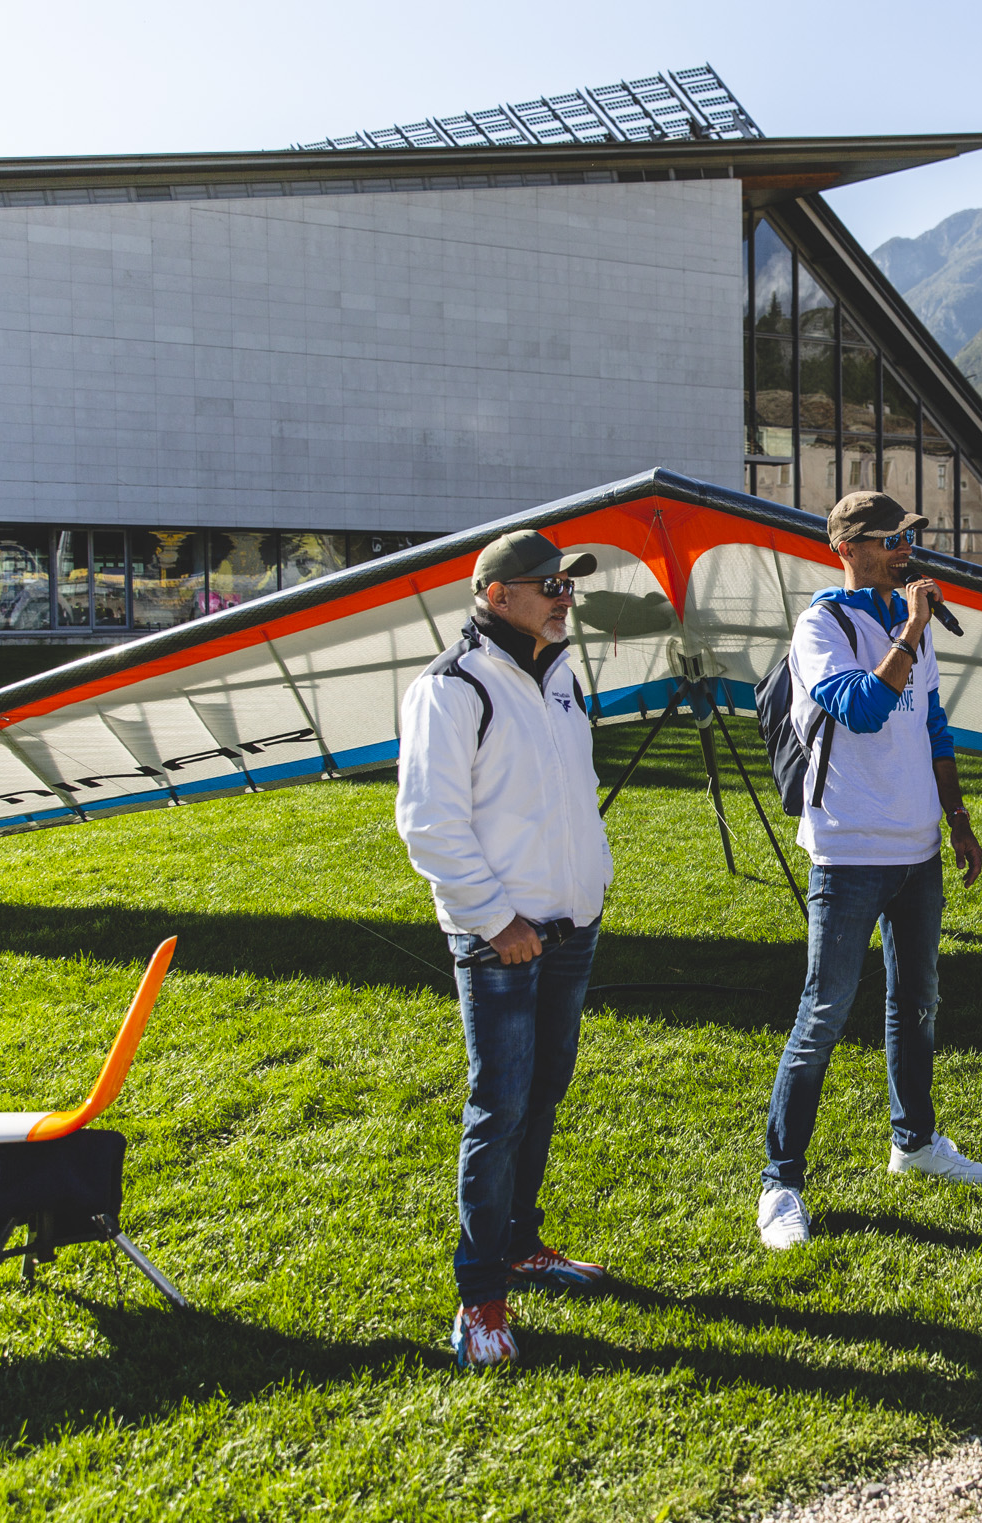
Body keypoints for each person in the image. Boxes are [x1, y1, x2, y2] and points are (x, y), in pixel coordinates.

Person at [396, 528, 616, 1369]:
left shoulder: (559, 677)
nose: (566, 596)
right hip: (502, 943)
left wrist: (587, 889)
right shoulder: (449, 689)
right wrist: (496, 920)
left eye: (568, 584)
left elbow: (569, 795)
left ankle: (523, 1244)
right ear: (497, 595)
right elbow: (428, 824)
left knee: (545, 1091)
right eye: (549, 584)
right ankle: (479, 1295)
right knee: (499, 1108)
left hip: (569, 930)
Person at [756, 490, 982, 1250]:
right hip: (849, 851)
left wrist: (956, 820)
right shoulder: (821, 625)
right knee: (823, 1015)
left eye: (908, 537)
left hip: (916, 850)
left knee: (917, 998)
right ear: (848, 548)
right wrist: (913, 624)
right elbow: (858, 707)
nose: (904, 548)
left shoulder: (908, 625)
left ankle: (913, 1140)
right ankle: (780, 1182)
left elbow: (931, 724)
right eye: (890, 538)